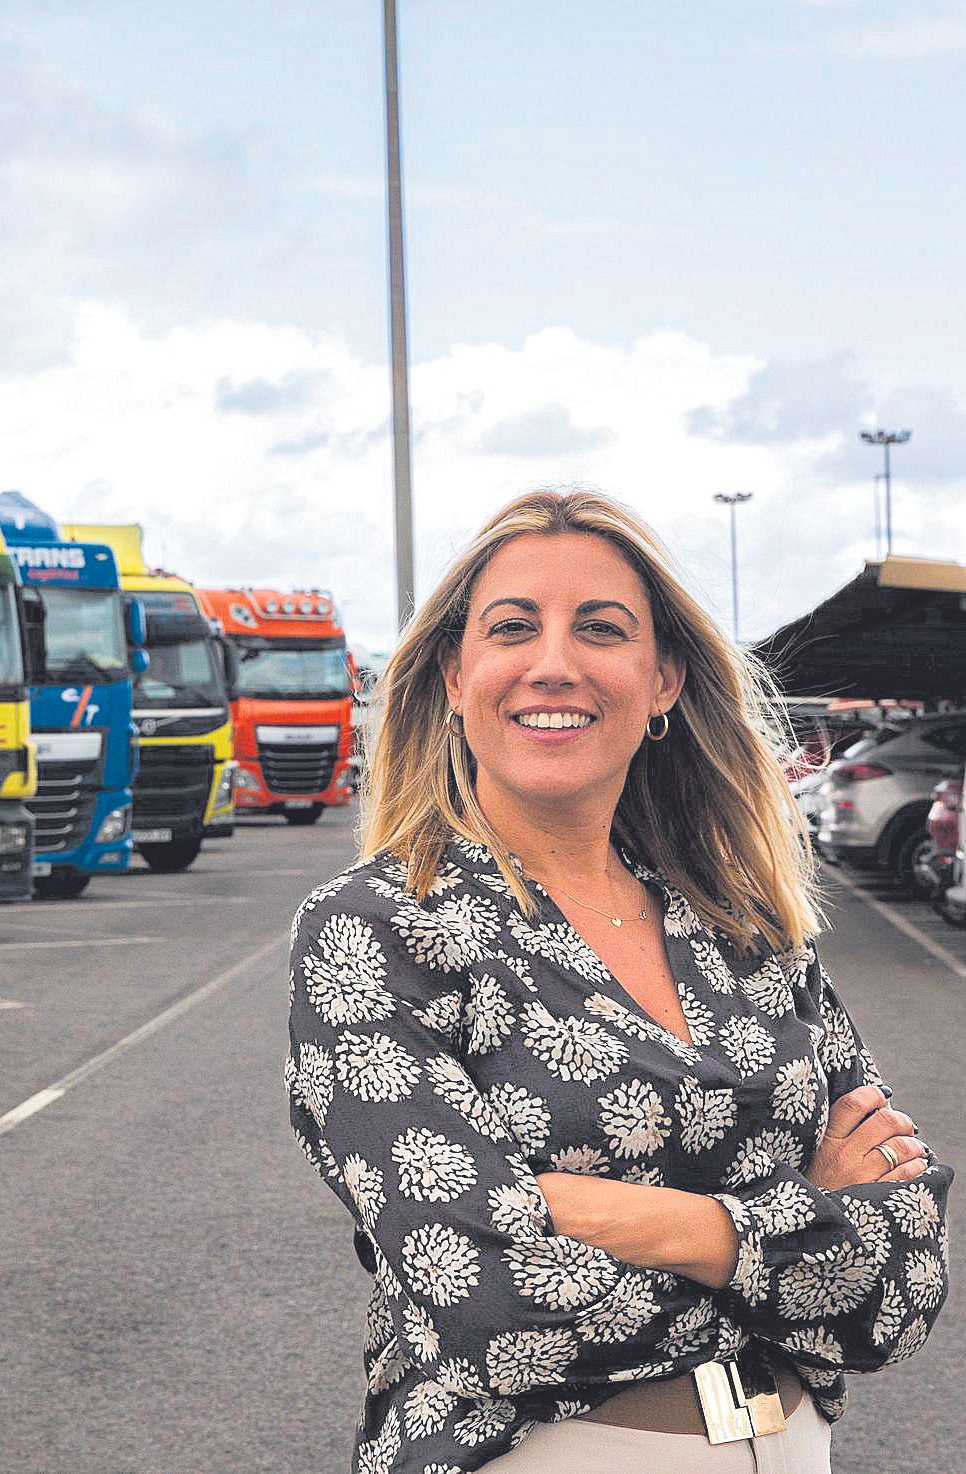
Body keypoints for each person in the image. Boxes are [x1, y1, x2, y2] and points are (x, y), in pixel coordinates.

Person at [286, 490, 950, 1474]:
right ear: (454, 675)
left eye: (601, 628)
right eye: (514, 627)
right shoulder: (377, 929)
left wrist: (630, 1218)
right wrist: (804, 1220)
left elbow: (905, 1277)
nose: (555, 662)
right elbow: (491, 1301)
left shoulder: (747, 923)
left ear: (664, 678)